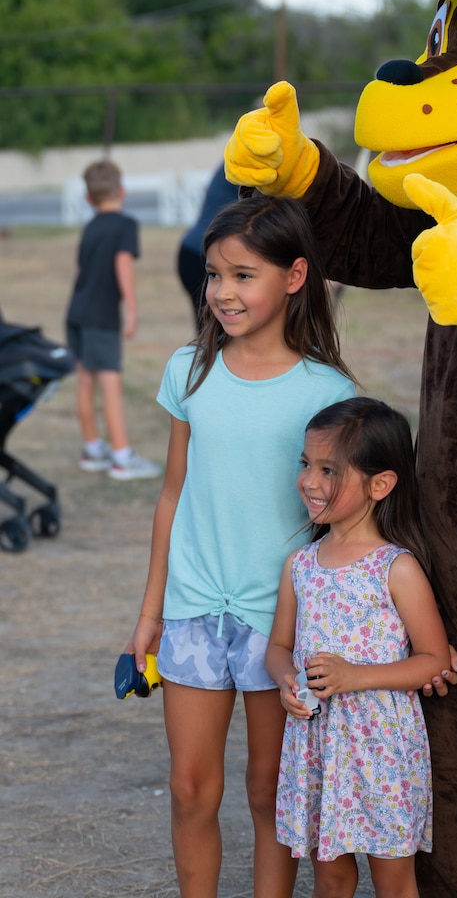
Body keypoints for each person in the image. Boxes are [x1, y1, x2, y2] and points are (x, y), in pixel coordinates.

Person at [125, 192, 357, 898]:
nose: (222, 292)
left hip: (279, 626)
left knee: (267, 793)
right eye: (213, 275)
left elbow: (338, 523)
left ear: (293, 277)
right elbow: (172, 493)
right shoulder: (188, 370)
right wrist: (150, 611)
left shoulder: (327, 391)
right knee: (189, 788)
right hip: (194, 612)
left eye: (242, 275)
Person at [266, 396, 452, 898]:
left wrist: (358, 676)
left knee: (393, 877)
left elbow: (433, 661)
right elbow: (279, 647)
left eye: (329, 470)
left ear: (381, 484)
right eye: (306, 464)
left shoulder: (397, 567)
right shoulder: (300, 565)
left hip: (381, 750)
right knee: (330, 874)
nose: (308, 480)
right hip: (318, 743)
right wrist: (287, 680)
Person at [65, 158, 162, 480]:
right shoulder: (125, 224)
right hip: (101, 316)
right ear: (122, 191)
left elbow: (81, 272)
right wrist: (131, 309)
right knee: (110, 386)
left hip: (76, 313)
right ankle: (122, 458)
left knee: (85, 380)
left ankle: (93, 449)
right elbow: (123, 265)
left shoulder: (90, 226)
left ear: (88, 200)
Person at [177, 163, 239, 328]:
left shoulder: (234, 159)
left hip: (192, 249)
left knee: (211, 333)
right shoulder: (247, 162)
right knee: (217, 333)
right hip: (207, 255)